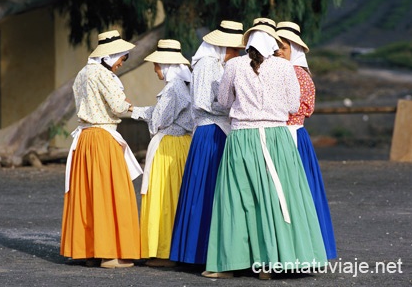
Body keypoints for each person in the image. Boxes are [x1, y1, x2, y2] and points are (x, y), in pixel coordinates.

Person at [203, 18, 327, 280]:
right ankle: (271, 262)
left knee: (236, 198)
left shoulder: (234, 65)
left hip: (242, 137)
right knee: (275, 196)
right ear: (272, 42)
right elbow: (294, 104)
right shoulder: (284, 67)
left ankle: (228, 264)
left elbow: (224, 101)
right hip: (276, 138)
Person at [60, 30, 143, 268]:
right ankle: (110, 254)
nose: (120, 64)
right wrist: (131, 106)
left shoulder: (82, 74)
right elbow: (117, 107)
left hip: (85, 139)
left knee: (88, 194)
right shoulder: (104, 76)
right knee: (110, 194)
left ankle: (91, 251)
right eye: (121, 58)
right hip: (102, 139)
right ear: (110, 55)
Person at [169, 20, 244, 265]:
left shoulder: (219, 64)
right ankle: (199, 251)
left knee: (216, 189)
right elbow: (202, 101)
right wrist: (236, 106)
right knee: (207, 187)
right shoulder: (206, 65)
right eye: (235, 50)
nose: (237, 55)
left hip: (219, 129)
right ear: (223, 48)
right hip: (210, 132)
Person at [276, 21, 337, 260]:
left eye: (284, 47)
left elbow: (304, 108)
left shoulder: (299, 75)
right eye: (277, 47)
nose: (279, 51)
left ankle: (305, 249)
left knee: (298, 191)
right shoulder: (281, 72)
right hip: (282, 134)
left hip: (293, 135)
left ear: (295, 50)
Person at [131, 39, 193, 267]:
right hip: (183, 144)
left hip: (169, 147)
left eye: (156, 65)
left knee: (163, 196)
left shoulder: (172, 89)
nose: (156, 70)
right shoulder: (185, 85)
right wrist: (134, 110)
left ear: (166, 65)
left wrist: (135, 112)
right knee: (176, 195)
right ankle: (175, 247)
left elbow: (159, 120)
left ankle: (163, 250)